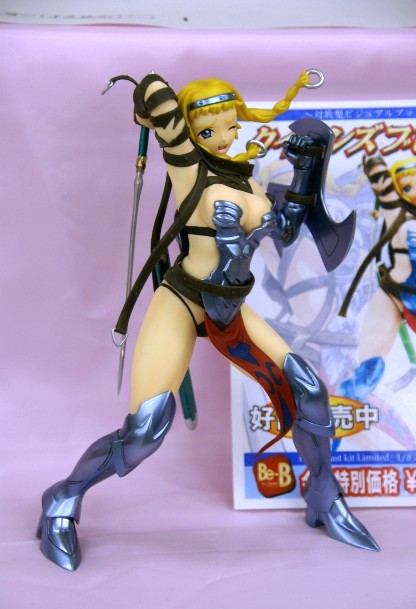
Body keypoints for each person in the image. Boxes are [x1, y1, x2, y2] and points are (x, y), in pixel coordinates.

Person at [37, 70, 379, 572]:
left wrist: (307, 169)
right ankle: (63, 498)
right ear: (190, 133)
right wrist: (149, 107)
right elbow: (155, 89)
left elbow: (285, 232)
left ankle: (324, 493)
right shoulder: (187, 169)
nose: (222, 138)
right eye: (207, 131)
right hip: (183, 300)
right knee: (146, 428)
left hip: (230, 309)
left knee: (308, 389)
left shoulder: (247, 181)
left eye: (229, 126)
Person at [337, 156, 416, 401]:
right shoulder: (396, 212)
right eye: (407, 187)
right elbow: (383, 185)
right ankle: (340, 414)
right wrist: (375, 166)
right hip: (392, 294)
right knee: (367, 373)